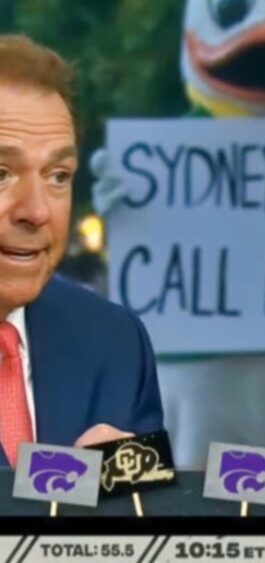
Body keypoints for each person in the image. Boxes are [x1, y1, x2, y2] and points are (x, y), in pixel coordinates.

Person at [0, 35, 163, 468]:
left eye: (58, 175)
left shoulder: (115, 344)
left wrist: (127, 505)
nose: (36, 211)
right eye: (1, 173)